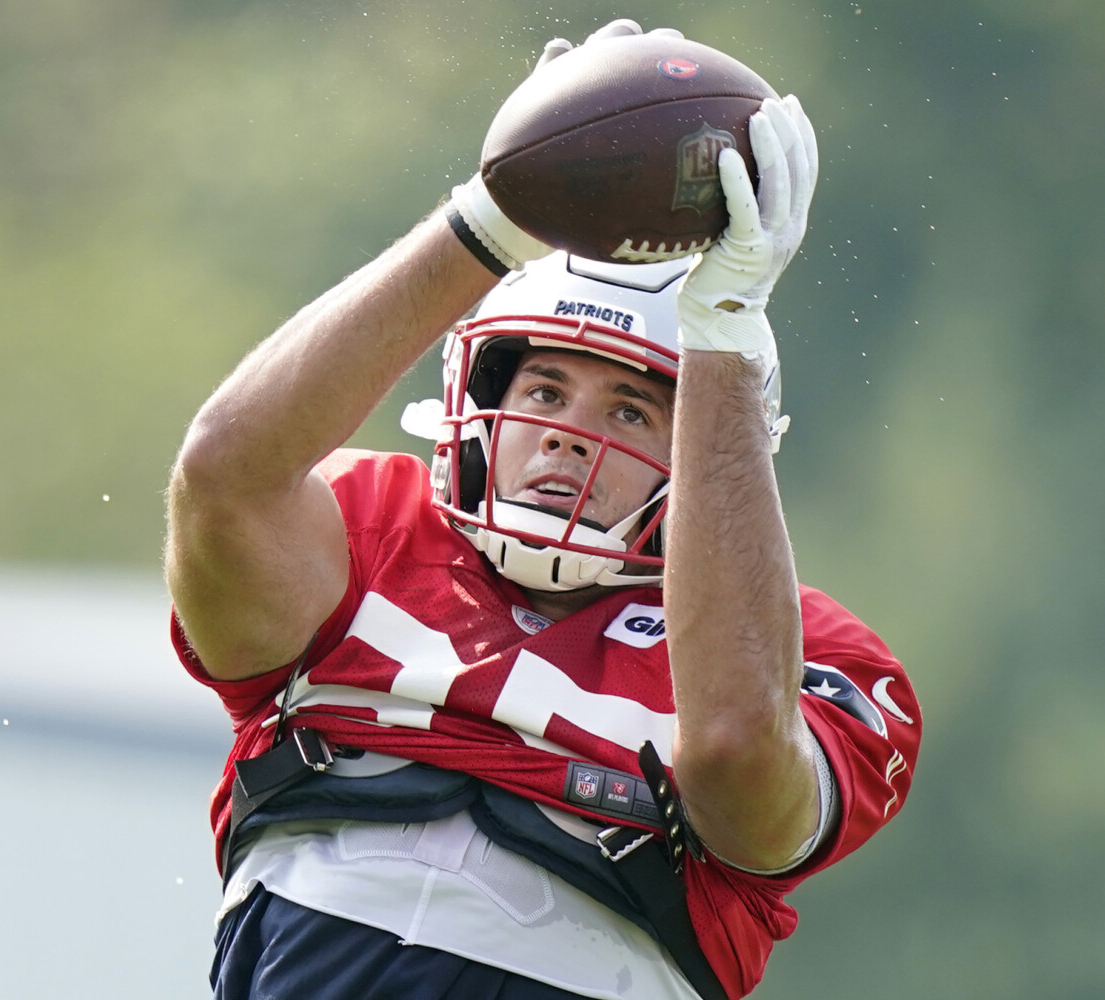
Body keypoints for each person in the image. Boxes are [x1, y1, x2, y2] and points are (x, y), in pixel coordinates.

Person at [165, 18, 918, 1000]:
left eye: (631, 406)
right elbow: (221, 480)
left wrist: (721, 333)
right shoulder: (369, 530)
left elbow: (737, 753)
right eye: (546, 391)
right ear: (479, 390)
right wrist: (493, 217)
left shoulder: (813, 653)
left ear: (710, 449)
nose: (570, 432)